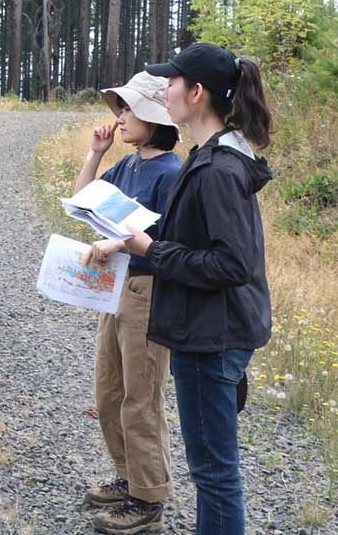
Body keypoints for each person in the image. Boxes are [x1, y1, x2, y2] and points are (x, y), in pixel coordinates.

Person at [92, 43, 273, 535]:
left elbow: (231, 263)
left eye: (171, 83)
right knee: (214, 470)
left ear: (195, 93)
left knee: (214, 474)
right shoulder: (213, 156)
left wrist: (150, 249)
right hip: (213, 327)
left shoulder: (217, 168)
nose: (164, 90)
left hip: (212, 335)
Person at [75, 72, 182, 534]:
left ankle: (148, 498)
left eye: (129, 110)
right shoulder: (129, 165)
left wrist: (117, 244)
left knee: (141, 396)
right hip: (116, 288)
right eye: (119, 109)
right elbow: (83, 201)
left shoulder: (172, 172)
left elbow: (163, 237)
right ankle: (128, 477)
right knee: (110, 392)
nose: (120, 118)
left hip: (148, 292)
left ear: (156, 120)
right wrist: (96, 154)